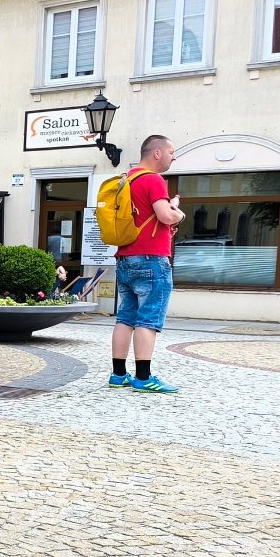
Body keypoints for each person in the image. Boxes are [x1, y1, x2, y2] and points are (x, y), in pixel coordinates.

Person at [110, 134, 186, 393]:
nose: (173, 157)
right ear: (157, 153)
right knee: (148, 319)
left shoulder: (127, 179)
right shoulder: (153, 179)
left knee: (125, 317)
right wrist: (178, 213)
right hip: (151, 260)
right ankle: (143, 377)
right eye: (171, 152)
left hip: (125, 258)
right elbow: (165, 216)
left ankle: (118, 374)